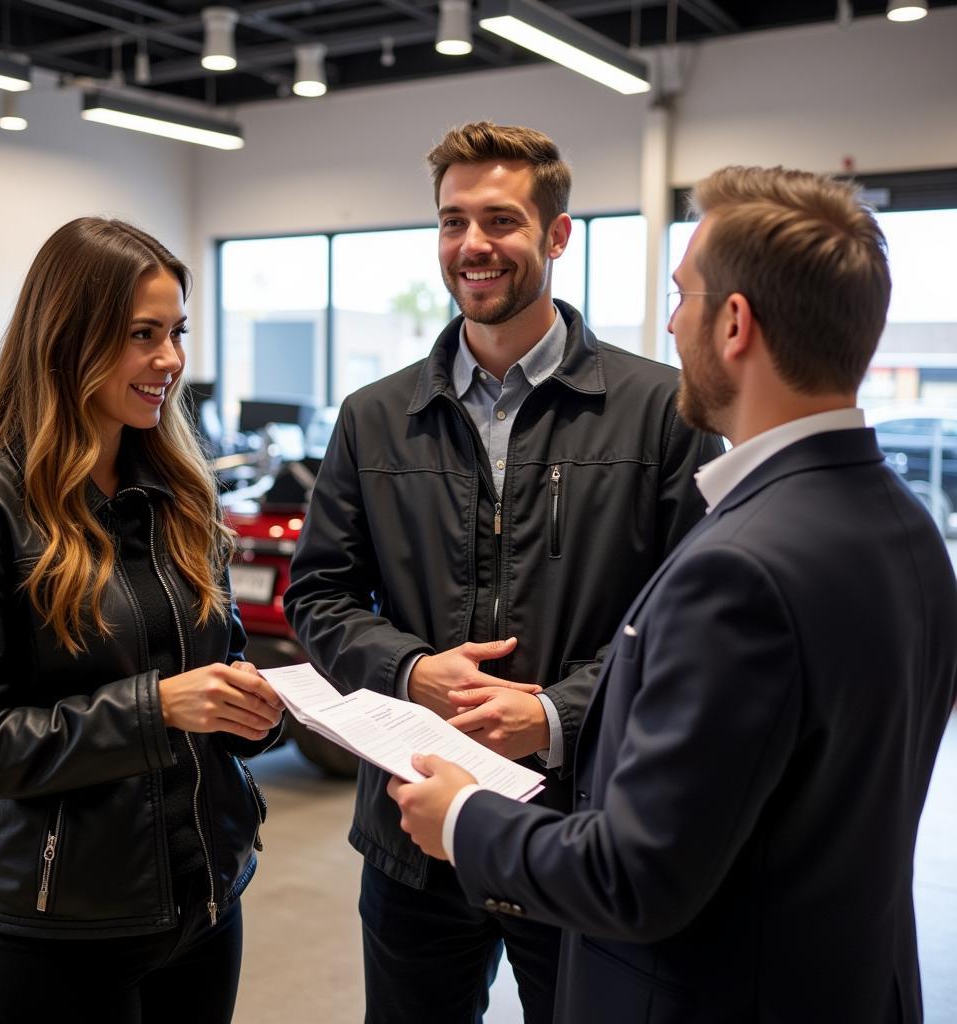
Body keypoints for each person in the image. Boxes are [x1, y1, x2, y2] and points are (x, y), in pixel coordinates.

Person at [389, 165, 957, 1022]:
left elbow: (633, 876)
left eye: (681, 294)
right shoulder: (907, 529)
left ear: (735, 324)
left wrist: (463, 818)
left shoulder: (740, 569)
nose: (669, 319)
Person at [284, 121, 721, 1023]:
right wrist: (409, 670)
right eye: (452, 222)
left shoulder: (658, 415)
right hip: (412, 831)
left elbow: (689, 630)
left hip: (577, 836)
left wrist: (556, 715)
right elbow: (318, 596)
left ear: (557, 236)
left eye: (500, 220)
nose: (472, 246)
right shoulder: (373, 418)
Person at [0, 218, 285, 1024]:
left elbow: (217, 673)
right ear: (68, 339)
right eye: (142, 335)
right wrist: (154, 708)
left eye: (177, 333)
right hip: (59, 928)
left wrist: (251, 713)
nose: (171, 360)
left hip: (204, 903)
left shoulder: (181, 497)